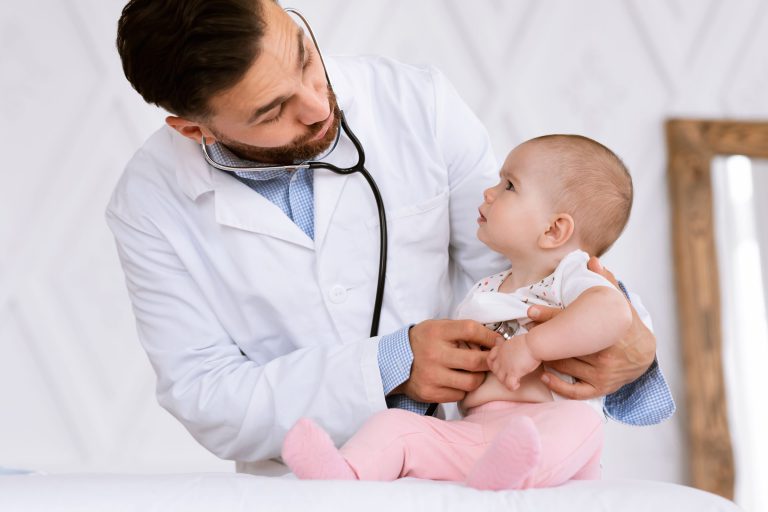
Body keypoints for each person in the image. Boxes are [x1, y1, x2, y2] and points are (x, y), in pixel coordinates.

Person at [109, 0, 673, 472]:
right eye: (272, 110)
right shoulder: (150, 203)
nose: (317, 104)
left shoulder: (414, 104)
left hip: (493, 452)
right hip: (307, 487)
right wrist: (390, 364)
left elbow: (536, 255)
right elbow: (206, 394)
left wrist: (632, 345)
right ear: (192, 128)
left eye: (305, 56)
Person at [282, 134, 642, 489]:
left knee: (576, 424)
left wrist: (532, 348)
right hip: (479, 429)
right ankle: (343, 472)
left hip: (549, 420)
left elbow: (612, 313)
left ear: (554, 229)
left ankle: (511, 474)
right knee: (394, 426)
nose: (490, 191)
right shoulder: (487, 288)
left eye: (510, 186)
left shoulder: (570, 276)